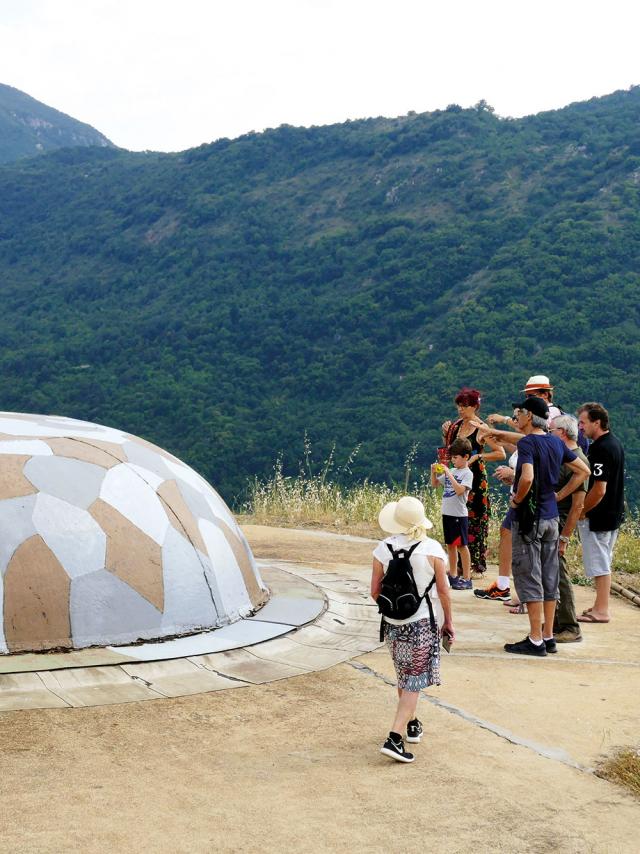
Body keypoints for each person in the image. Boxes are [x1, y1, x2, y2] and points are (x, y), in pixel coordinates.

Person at [481, 397, 590, 656]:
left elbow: (527, 477)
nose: (516, 416)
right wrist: (558, 495)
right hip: (552, 519)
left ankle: (535, 639)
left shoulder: (528, 443)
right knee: (550, 578)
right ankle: (549, 636)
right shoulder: (556, 442)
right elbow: (583, 471)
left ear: (529, 415)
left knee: (529, 577)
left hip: (530, 520)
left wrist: (517, 500)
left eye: (519, 412)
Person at [371, 496, 453, 763]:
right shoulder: (433, 550)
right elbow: (444, 592)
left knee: (405, 677)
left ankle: (412, 723)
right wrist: (448, 622)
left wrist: (395, 610)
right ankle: (394, 738)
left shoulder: (383, 548)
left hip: (392, 625)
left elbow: (374, 591)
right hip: (422, 623)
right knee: (413, 681)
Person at [441, 388, 505, 576]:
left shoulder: (481, 428)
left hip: (475, 480)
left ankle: (474, 565)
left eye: (465, 406)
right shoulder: (456, 426)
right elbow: (452, 451)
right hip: (456, 476)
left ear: (475, 406)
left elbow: (500, 453)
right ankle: (459, 566)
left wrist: (478, 457)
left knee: (474, 520)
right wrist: (446, 435)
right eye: (459, 406)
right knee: (456, 518)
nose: (461, 409)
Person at [576, 403, 625, 624]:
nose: (580, 427)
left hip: (599, 515)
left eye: (583, 422)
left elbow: (599, 488)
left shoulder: (600, 448)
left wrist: (582, 510)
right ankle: (599, 605)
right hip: (612, 512)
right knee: (603, 559)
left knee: (599, 562)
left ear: (597, 422)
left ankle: (602, 610)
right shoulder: (615, 443)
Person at [550, 415, 590, 642]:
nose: (549, 434)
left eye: (551, 430)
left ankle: (570, 626)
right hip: (554, 520)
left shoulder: (578, 460)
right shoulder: (564, 457)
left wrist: (565, 538)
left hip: (561, 522)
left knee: (560, 575)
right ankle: (557, 621)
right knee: (552, 574)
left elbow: (578, 506)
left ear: (562, 433)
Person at [430, 437, 474, 590]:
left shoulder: (467, 473)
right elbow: (435, 484)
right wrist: (433, 472)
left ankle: (467, 578)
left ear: (466, 457)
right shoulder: (453, 470)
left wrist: (448, 473)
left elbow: (460, 490)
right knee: (450, 545)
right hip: (447, 513)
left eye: (456, 457)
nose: (453, 460)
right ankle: (453, 574)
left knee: (461, 546)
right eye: (452, 457)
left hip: (459, 515)